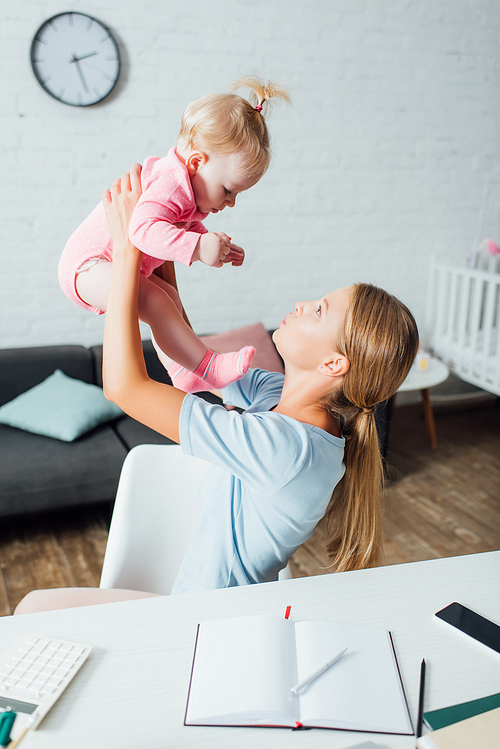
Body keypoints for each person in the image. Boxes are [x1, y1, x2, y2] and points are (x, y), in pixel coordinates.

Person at [99, 165, 419, 593]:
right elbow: (194, 362)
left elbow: (124, 387)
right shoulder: (277, 396)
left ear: (333, 364)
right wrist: (162, 238)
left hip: (207, 625)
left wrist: (127, 251)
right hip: (189, 604)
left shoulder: (286, 449)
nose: (303, 303)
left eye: (320, 310)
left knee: (29, 612)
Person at [58, 77, 290, 393]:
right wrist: (198, 247)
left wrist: (217, 247)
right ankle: (206, 365)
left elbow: (181, 225)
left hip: (104, 265)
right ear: (197, 162)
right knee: (158, 302)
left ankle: (184, 372)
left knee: (168, 300)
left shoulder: (186, 193)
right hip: (88, 266)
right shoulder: (170, 182)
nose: (230, 202)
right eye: (228, 190)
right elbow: (142, 230)